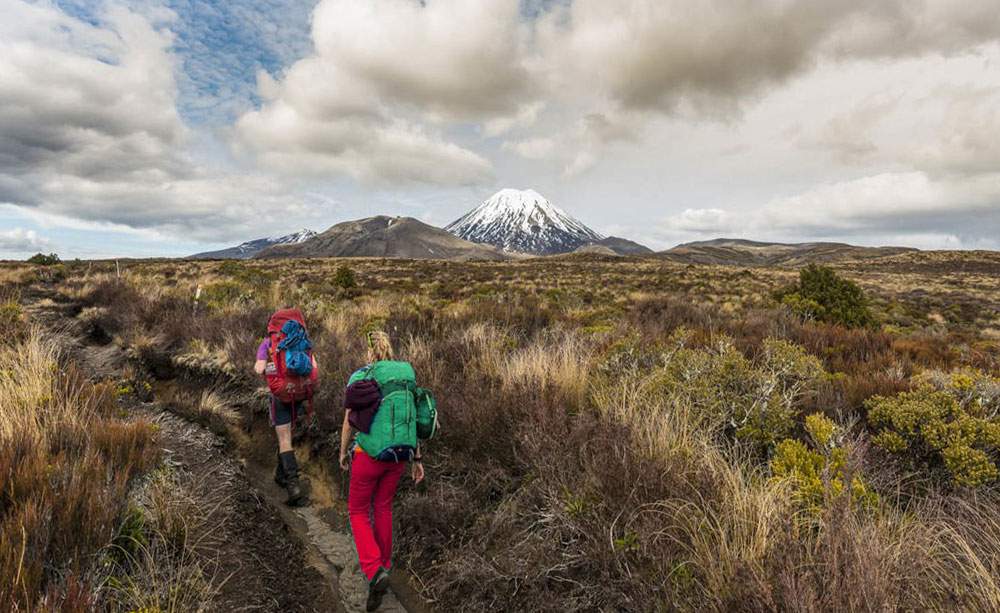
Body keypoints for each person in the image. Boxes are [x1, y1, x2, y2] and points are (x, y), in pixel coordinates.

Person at [339, 330, 425, 612]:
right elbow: (411, 417)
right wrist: (417, 459)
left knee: (358, 511)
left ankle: (375, 571)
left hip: (369, 455)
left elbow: (349, 423)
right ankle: (384, 565)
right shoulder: (404, 375)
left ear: (369, 352)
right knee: (384, 507)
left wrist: (342, 452)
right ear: (389, 349)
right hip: (400, 454)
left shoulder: (362, 376)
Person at [255, 307, 318, 506]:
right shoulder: (303, 342)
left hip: (281, 395)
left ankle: (293, 486)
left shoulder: (268, 343)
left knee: (284, 439)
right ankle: (280, 476)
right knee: (289, 432)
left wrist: (268, 370)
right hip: (300, 394)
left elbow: (258, 369)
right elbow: (315, 368)